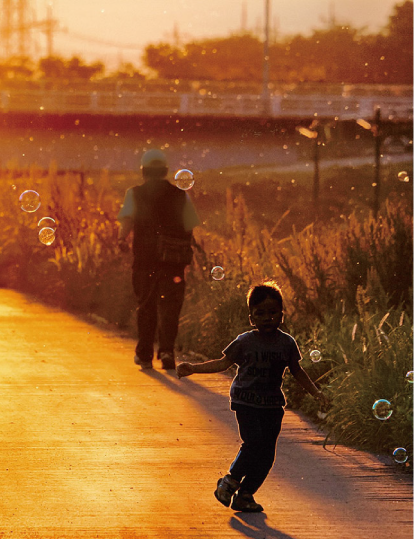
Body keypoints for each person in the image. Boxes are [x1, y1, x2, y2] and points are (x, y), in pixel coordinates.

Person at [175, 281, 328, 513]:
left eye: (273, 312)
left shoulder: (287, 343)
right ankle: (229, 481)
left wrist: (316, 392)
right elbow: (223, 363)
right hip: (245, 402)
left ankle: (245, 494)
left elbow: (297, 371)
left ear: (282, 315)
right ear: (251, 318)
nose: (267, 318)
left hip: (273, 405)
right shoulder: (245, 341)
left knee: (267, 456)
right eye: (260, 313)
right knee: (253, 443)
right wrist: (193, 368)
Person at [118, 149, 200, 370]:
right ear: (165, 171)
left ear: (143, 171)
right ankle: (166, 351)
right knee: (170, 306)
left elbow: (126, 221)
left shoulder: (134, 193)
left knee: (146, 305)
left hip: (144, 259)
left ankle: (145, 354)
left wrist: (121, 239)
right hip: (173, 260)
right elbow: (189, 225)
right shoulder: (179, 194)